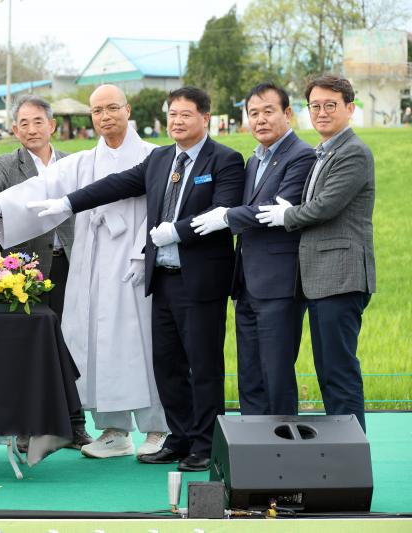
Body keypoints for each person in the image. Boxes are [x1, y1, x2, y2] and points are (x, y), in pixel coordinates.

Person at [30, 86, 245, 471]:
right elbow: (115, 185)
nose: (177, 122)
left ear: (205, 118)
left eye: (186, 115)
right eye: (172, 115)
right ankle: (178, 437)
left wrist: (176, 232)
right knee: (167, 363)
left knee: (202, 364)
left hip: (199, 281)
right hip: (162, 279)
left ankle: (204, 443)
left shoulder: (225, 160)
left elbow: (221, 210)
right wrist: (67, 202)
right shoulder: (162, 158)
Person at [0, 85, 169, 461]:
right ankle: (115, 429)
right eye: (97, 111)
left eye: (112, 108)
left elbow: (164, 207)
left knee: (139, 341)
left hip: (133, 261)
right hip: (92, 258)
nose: (105, 117)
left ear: (128, 109)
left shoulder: (154, 156)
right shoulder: (84, 162)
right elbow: (42, 186)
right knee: (96, 340)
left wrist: (146, 250)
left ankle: (158, 426)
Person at [0, 94, 90, 452]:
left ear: (52, 125)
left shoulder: (74, 163)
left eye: (38, 122)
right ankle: (27, 426)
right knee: (32, 349)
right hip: (26, 272)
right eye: (23, 123)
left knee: (70, 342)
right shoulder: (8, 164)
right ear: (14, 129)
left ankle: (75, 424)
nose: (31, 129)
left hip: (72, 263)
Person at [257, 75, 375, 431]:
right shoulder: (324, 150)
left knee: (338, 372)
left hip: (340, 277)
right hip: (321, 280)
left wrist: (285, 215)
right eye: (315, 106)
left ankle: (352, 460)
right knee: (328, 369)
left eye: (330, 105)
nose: (321, 113)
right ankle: (344, 454)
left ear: (350, 109)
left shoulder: (353, 151)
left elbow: (326, 206)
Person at [190, 83, 316, 416]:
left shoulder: (301, 155)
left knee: (275, 370)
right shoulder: (253, 160)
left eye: (268, 111)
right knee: (249, 371)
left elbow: (275, 210)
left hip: (279, 284)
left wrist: (226, 217)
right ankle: (255, 448)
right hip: (245, 282)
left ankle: (283, 447)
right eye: (253, 113)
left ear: (287, 114)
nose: (260, 120)